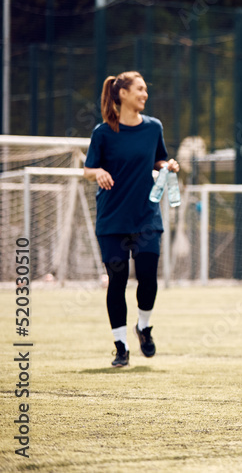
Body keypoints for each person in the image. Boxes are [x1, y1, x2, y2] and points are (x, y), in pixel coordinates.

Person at [83, 71, 180, 368]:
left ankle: (144, 327)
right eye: (139, 89)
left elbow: (159, 159)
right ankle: (121, 346)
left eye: (145, 89)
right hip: (112, 219)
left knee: (148, 278)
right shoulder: (103, 132)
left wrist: (168, 164)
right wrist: (96, 172)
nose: (144, 94)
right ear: (122, 93)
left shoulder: (153, 128)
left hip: (147, 216)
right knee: (118, 279)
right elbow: (88, 169)